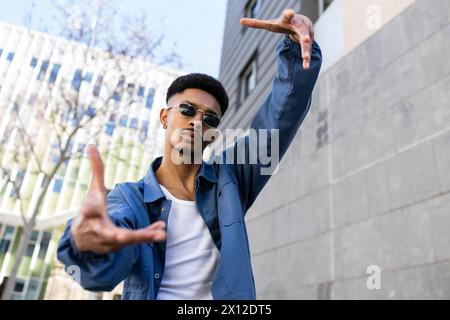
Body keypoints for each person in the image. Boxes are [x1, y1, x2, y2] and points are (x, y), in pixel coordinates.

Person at [57, 9, 322, 300]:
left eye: (210, 119)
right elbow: (103, 272)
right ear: (164, 117)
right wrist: (86, 246)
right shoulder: (129, 199)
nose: (198, 121)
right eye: (187, 110)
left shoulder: (230, 179)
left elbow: (279, 119)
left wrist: (296, 46)